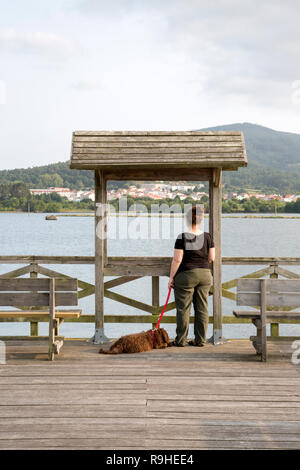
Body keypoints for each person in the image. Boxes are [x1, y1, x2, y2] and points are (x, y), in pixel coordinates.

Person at [168, 205, 215, 347]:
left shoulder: (182, 237)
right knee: (202, 308)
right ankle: (200, 340)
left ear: (187, 220)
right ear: (201, 220)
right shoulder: (208, 236)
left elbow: (177, 260)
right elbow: (212, 258)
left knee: (183, 308)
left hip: (186, 275)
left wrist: (171, 278)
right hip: (205, 275)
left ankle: (181, 340)